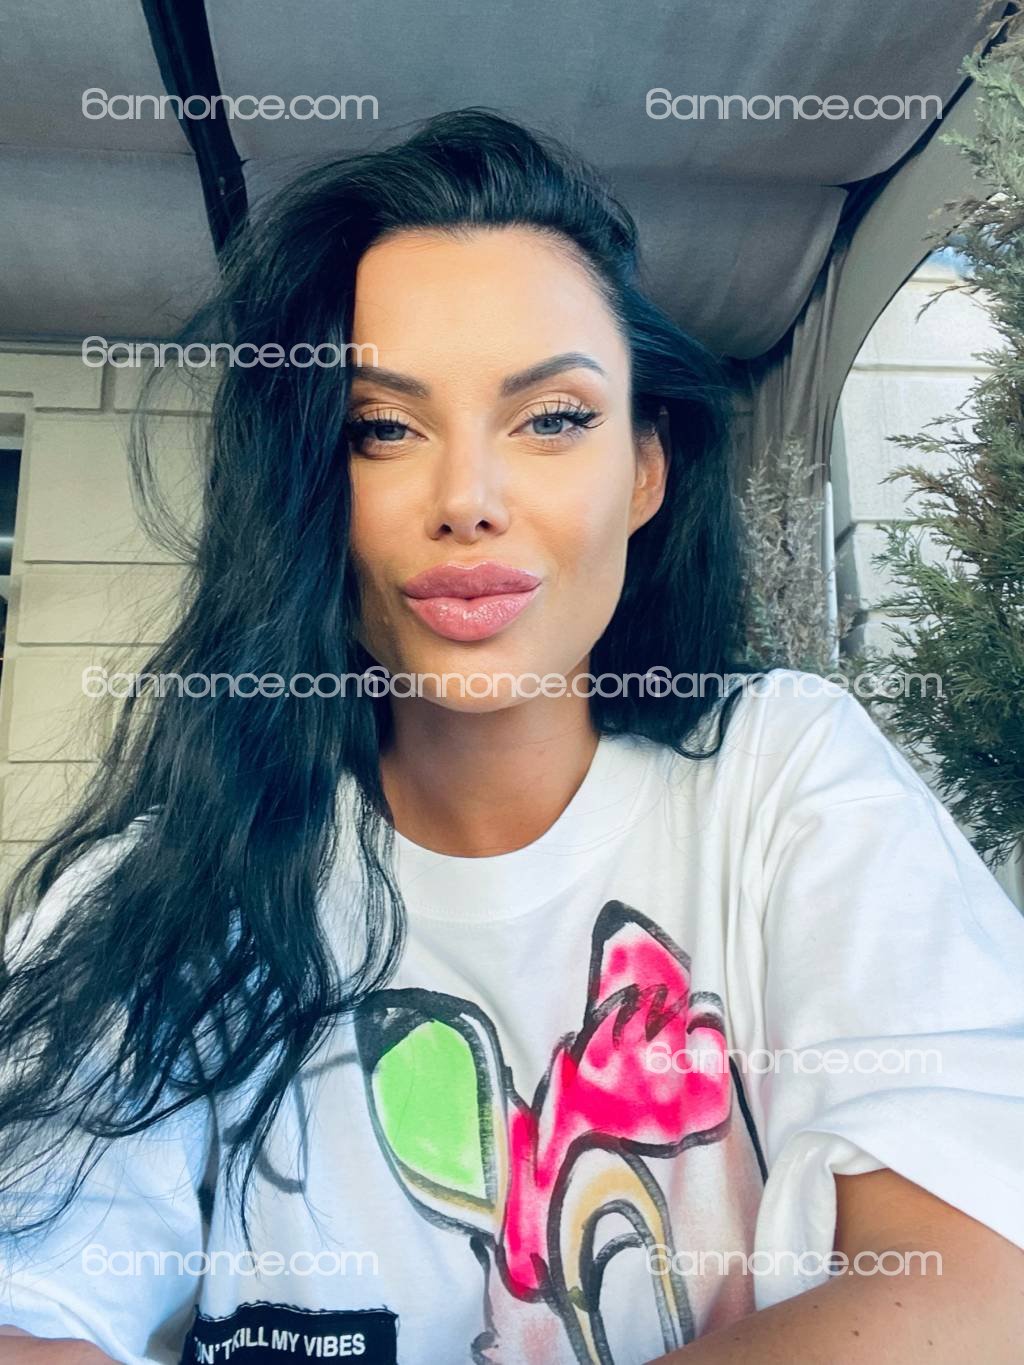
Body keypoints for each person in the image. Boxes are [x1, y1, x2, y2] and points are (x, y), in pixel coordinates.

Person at [1, 109, 1022, 1365]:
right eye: (382, 428)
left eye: (552, 418)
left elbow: (975, 1290)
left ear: (644, 471)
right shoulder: (173, 885)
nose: (467, 501)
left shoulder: (782, 774)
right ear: (306, 485)